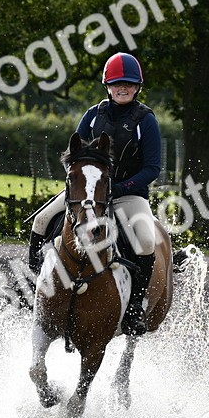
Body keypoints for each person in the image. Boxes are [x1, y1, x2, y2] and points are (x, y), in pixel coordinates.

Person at [27, 51, 162, 335]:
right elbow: (73, 158)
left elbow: (152, 168)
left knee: (147, 241)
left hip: (128, 194)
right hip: (88, 191)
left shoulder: (145, 120)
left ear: (137, 87)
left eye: (129, 83)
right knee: (41, 221)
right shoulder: (92, 116)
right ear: (107, 86)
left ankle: (134, 308)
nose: (122, 88)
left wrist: (119, 187)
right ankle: (33, 286)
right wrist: (83, 184)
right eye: (117, 83)